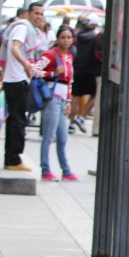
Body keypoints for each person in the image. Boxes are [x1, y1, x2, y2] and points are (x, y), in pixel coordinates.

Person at [1, 2, 45, 171]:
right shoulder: (23, 28)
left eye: (41, 13)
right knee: (18, 120)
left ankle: (11, 157)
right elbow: (15, 48)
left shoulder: (30, 30)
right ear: (28, 13)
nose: (39, 16)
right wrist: (26, 64)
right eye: (36, 13)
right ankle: (14, 158)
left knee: (14, 119)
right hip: (16, 79)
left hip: (18, 79)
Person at [39, 25, 78, 182]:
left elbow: (70, 81)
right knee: (48, 137)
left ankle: (66, 171)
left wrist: (69, 100)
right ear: (57, 39)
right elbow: (34, 71)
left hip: (63, 101)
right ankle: (45, 169)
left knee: (62, 138)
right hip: (52, 99)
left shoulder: (69, 57)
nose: (66, 40)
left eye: (69, 37)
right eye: (63, 37)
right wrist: (51, 73)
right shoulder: (50, 55)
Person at [70, 15, 99, 132]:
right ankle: (81, 117)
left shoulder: (78, 35)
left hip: (77, 68)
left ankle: (71, 124)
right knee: (95, 95)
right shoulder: (95, 36)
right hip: (90, 69)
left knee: (76, 96)